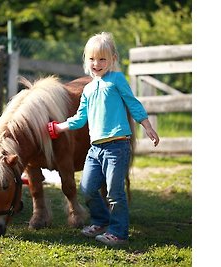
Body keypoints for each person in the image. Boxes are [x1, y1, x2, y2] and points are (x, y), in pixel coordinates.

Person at [47, 32, 159, 246]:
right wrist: (59, 126)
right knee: (87, 188)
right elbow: (80, 118)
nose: (96, 64)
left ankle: (118, 233)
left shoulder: (117, 80)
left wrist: (146, 124)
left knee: (115, 193)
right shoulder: (88, 89)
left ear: (113, 59)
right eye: (92, 59)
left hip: (117, 146)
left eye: (102, 59)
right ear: (86, 60)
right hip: (95, 149)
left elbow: (132, 102)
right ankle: (101, 221)